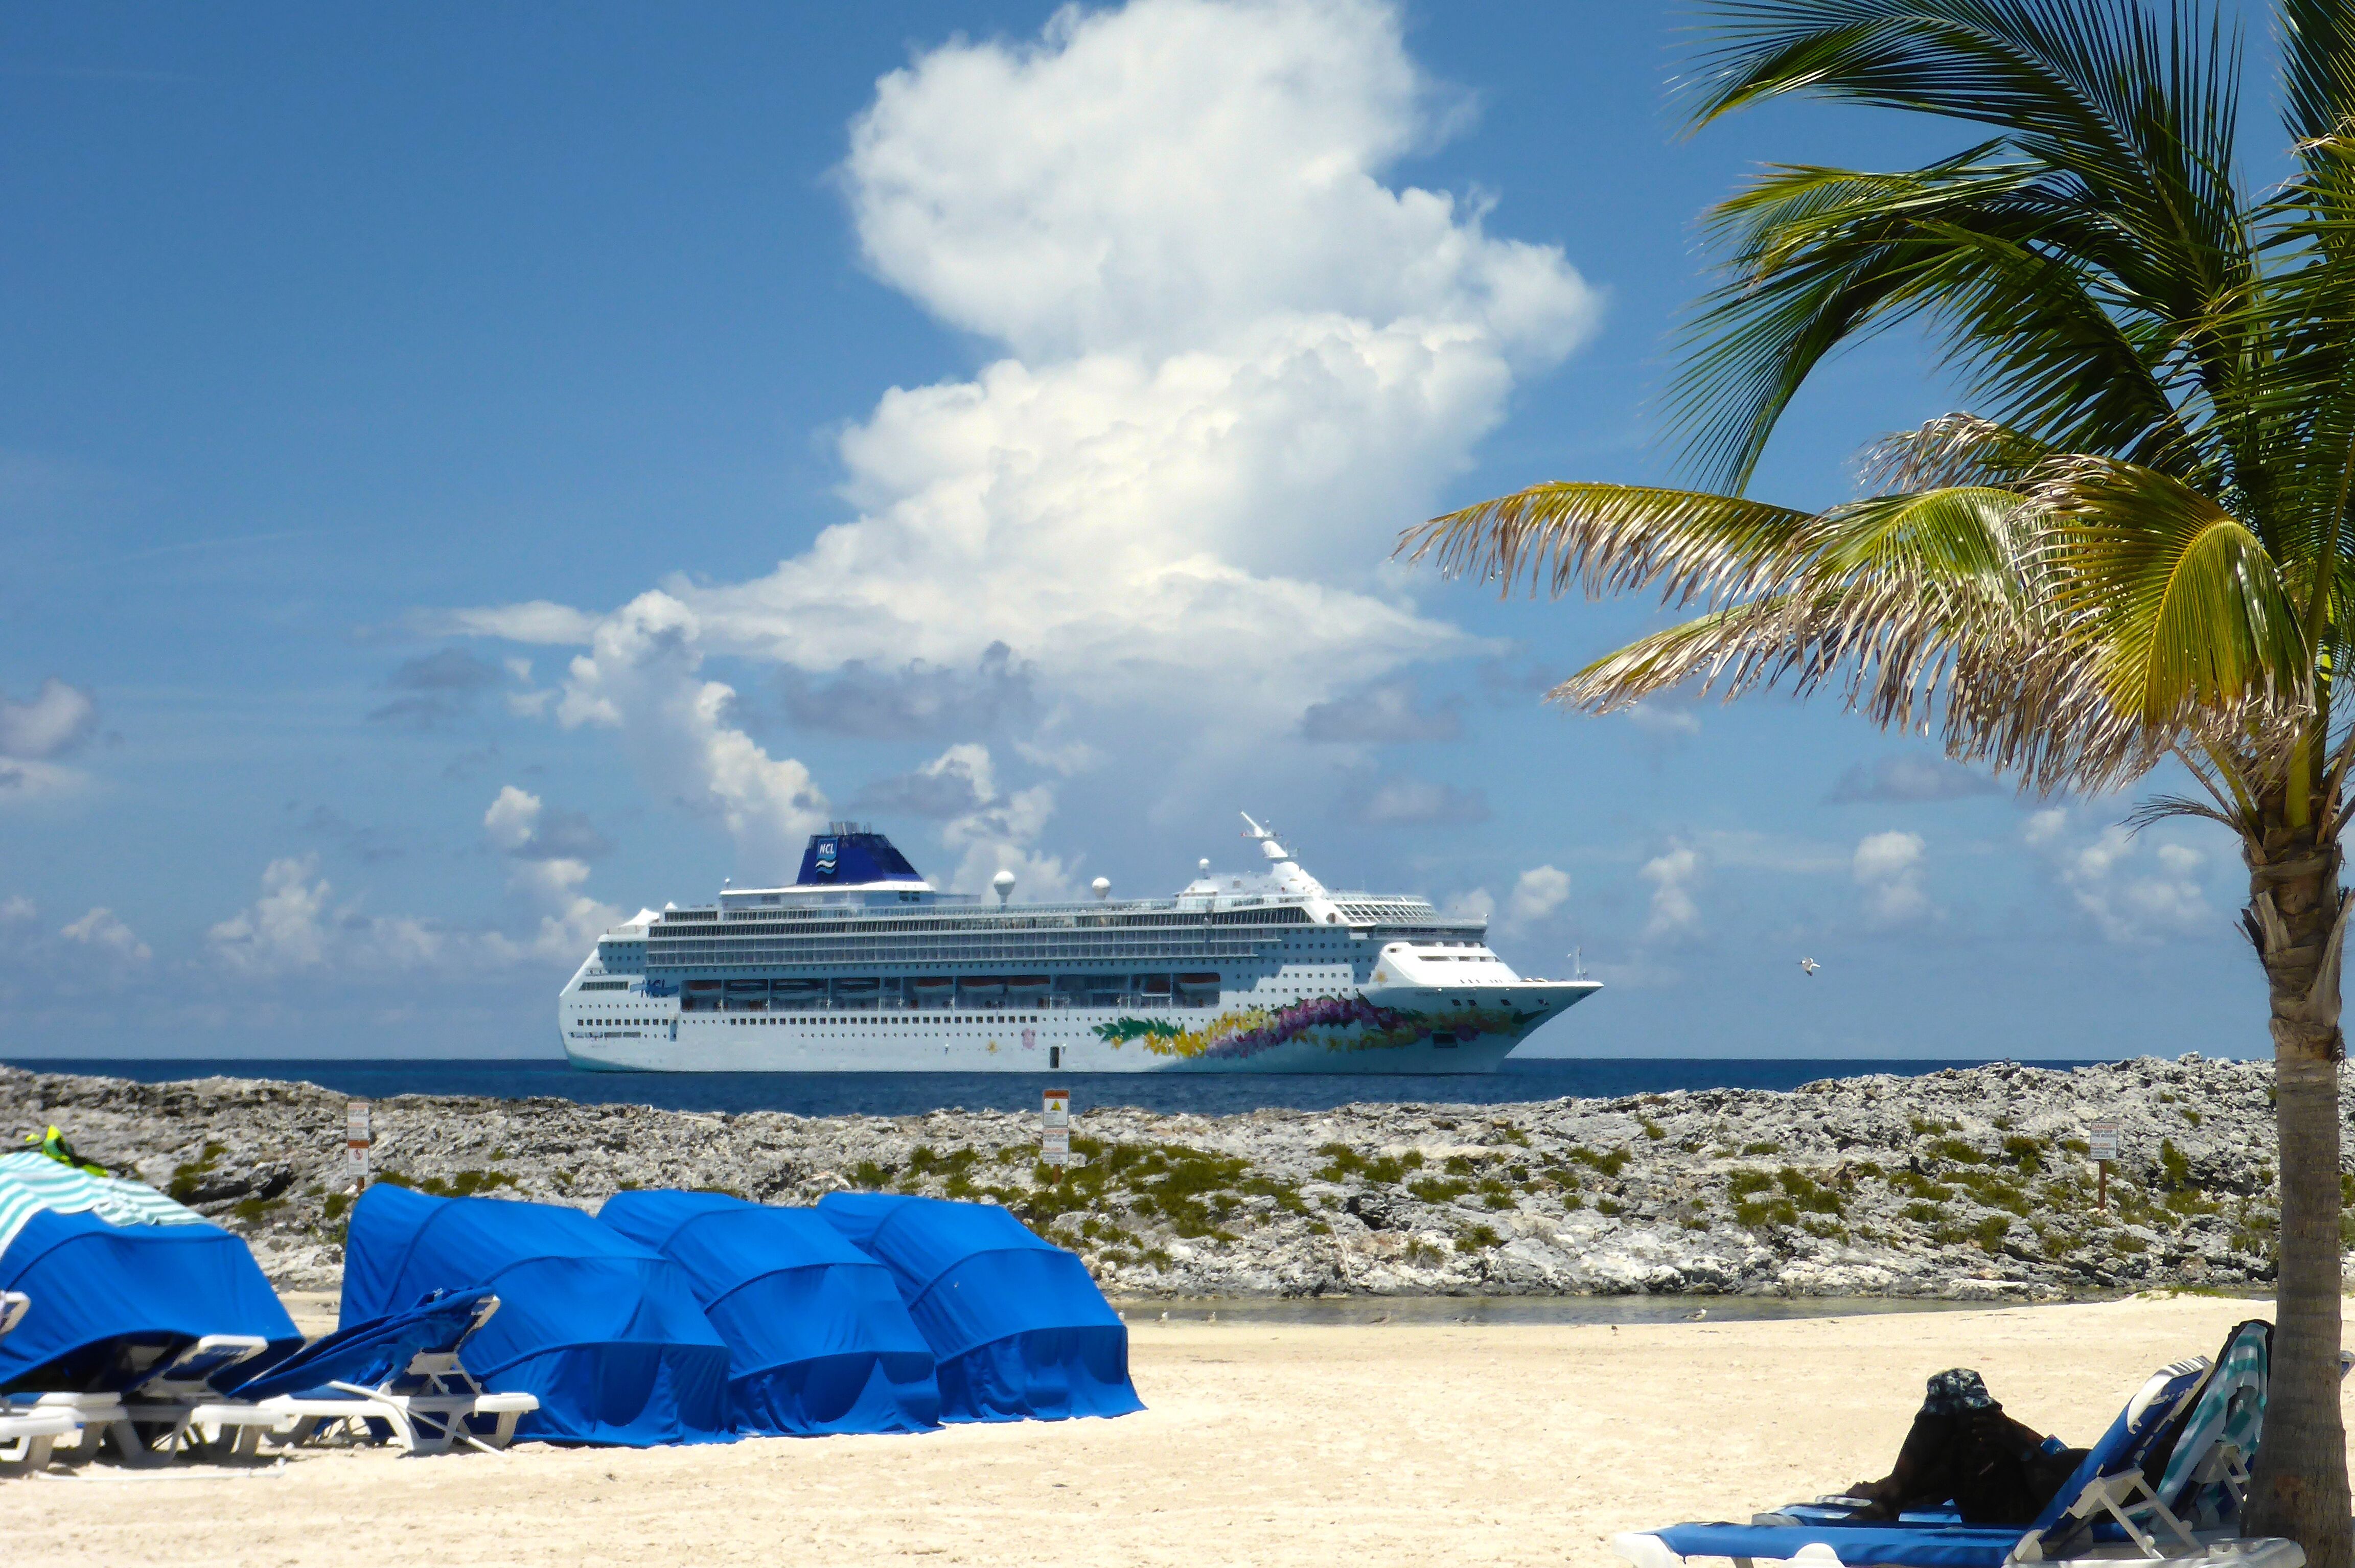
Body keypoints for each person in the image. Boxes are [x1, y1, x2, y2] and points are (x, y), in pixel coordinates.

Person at [1843, 1369, 2087, 1526]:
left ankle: (1890, 1498)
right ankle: (1892, 1493)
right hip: (2008, 1490)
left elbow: (2052, 1491)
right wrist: (2013, 1436)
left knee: (1956, 1408)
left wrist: (2018, 1445)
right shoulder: (2107, 1466)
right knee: (1966, 1421)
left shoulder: (2092, 1472)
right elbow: (2051, 1454)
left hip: (2013, 1513)